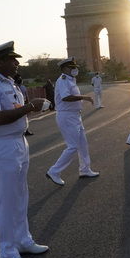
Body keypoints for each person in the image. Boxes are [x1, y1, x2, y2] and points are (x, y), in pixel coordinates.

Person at [0, 41, 49, 258]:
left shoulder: (8, 83)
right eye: (12, 59)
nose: (17, 63)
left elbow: (12, 111)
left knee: (20, 195)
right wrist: (29, 108)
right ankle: (6, 253)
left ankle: (22, 240)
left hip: (17, 142)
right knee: (6, 200)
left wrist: (27, 109)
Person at [46, 57, 99, 186]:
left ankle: (85, 169)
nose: (75, 70)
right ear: (64, 68)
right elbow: (66, 97)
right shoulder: (63, 80)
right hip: (66, 116)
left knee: (82, 144)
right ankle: (54, 171)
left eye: (75, 67)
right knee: (73, 146)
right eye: (72, 67)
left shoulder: (71, 80)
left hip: (75, 116)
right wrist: (84, 97)